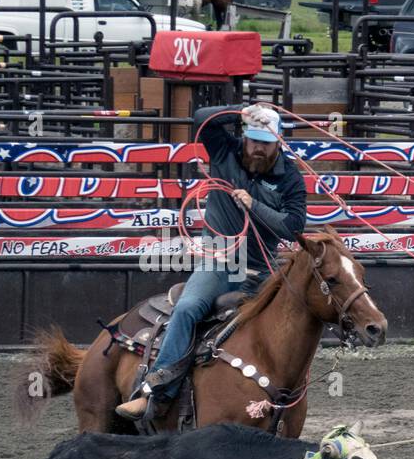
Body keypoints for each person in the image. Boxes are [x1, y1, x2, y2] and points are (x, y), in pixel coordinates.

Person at [117, 104, 308, 420]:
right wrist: (240, 111)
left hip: (262, 267)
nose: (258, 148)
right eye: (253, 140)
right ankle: (156, 389)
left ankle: (286, 398)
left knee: (290, 319)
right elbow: (201, 118)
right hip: (219, 260)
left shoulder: (290, 178)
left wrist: (254, 205)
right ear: (245, 137)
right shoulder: (226, 151)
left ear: (278, 143)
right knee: (189, 308)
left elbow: (293, 227)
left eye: (265, 142)